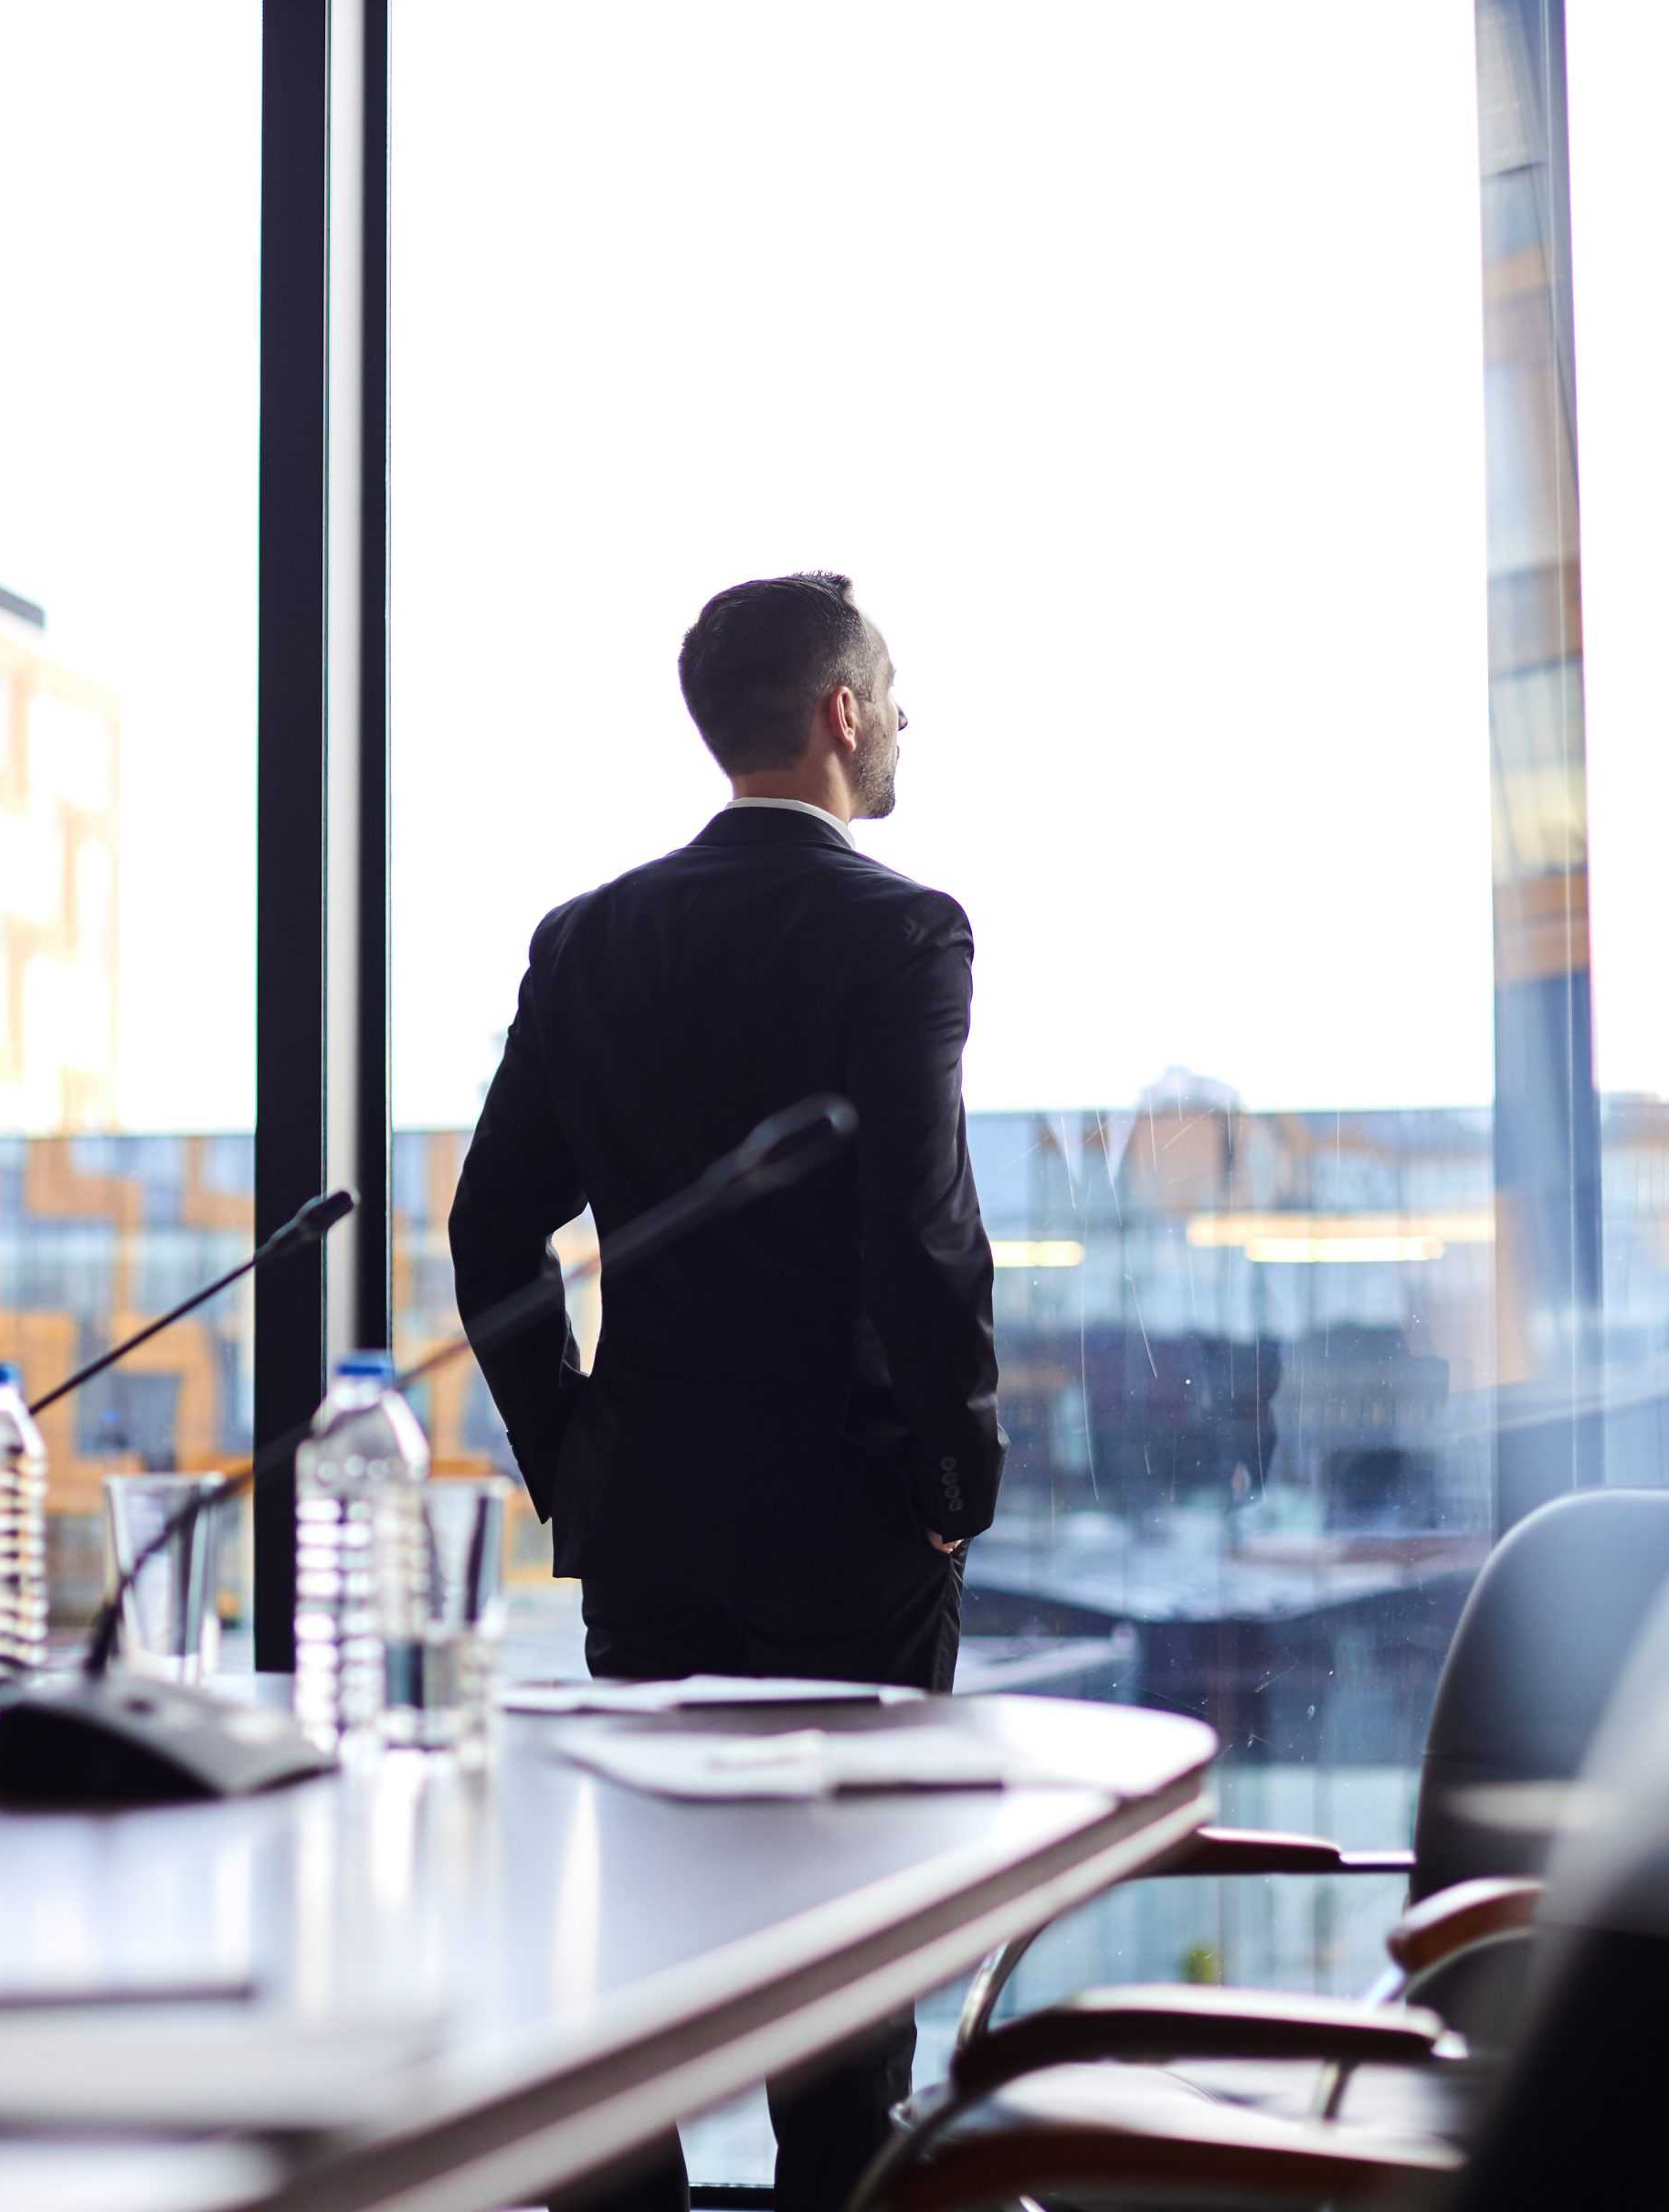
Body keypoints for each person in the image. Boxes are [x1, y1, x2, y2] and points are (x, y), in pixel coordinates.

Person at [449, 570, 1002, 2212]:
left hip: (655, 1538)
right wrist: (952, 1486)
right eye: (893, 692)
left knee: (651, 1967)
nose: (906, 719)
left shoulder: (590, 938)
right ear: (840, 714)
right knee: (843, 1989)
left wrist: (578, 1458)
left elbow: (492, 1228)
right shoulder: (902, 931)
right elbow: (922, 1236)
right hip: (853, 1529)